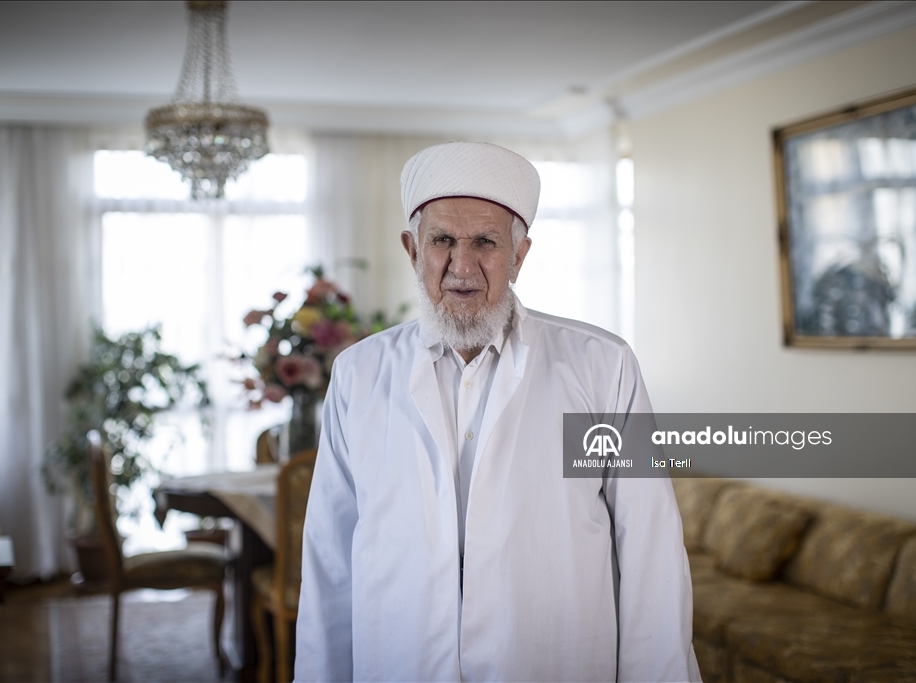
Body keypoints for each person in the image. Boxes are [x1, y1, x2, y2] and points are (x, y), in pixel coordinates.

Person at [295, 141, 701, 682]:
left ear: (519, 256)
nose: (462, 266)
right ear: (413, 251)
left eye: (485, 242)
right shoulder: (358, 374)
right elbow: (330, 555)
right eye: (442, 240)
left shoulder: (603, 367)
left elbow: (650, 547)